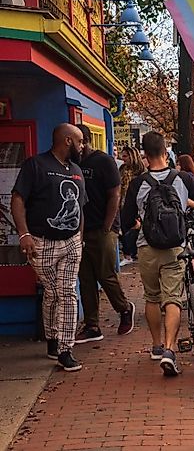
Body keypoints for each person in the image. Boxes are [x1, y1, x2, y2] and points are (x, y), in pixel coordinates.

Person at [121, 131, 194, 376]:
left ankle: (156, 346)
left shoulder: (138, 183)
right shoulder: (183, 178)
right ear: (165, 151)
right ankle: (169, 349)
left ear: (144, 154)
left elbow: (126, 219)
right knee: (172, 300)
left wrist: (137, 224)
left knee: (152, 298)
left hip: (147, 247)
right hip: (174, 248)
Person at [11, 124, 87, 371]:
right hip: (42, 242)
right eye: (79, 141)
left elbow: (80, 206)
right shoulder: (36, 165)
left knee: (67, 291)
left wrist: (80, 238)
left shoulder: (76, 170)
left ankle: (65, 349)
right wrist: (24, 234)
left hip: (72, 242)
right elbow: (18, 199)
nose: (82, 145)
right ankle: (52, 337)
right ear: (67, 141)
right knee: (53, 292)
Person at [76, 126, 135, 345]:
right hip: (80, 229)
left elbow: (115, 195)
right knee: (86, 278)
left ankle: (124, 308)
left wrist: (107, 227)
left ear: (86, 141)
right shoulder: (72, 164)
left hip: (103, 228)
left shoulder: (103, 162)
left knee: (105, 273)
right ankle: (92, 325)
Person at [119, 146, 144, 266]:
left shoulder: (140, 171)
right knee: (124, 228)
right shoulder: (122, 169)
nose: (122, 158)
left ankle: (133, 253)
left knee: (136, 229)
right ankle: (128, 254)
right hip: (123, 201)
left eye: (125, 156)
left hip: (136, 202)